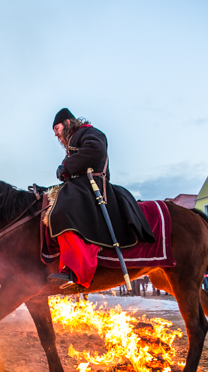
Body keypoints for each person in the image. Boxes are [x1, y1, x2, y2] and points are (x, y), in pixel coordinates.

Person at [47, 109, 155, 289]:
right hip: (80, 185)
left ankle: (78, 270)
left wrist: (66, 166)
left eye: (57, 128)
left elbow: (95, 150)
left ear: (67, 123)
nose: (56, 134)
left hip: (92, 184)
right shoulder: (74, 141)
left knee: (64, 210)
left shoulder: (89, 132)